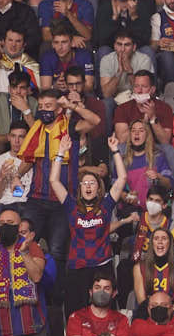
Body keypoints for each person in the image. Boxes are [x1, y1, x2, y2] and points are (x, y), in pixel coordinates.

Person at [50, 135, 127, 315]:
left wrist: (115, 150)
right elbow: (54, 181)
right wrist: (61, 152)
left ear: (98, 188)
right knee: (75, 314)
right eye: (84, 183)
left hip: (102, 267)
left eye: (92, 183)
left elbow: (122, 178)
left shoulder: (106, 206)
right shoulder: (71, 206)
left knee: (104, 313)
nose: (88, 186)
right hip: (78, 268)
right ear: (80, 188)